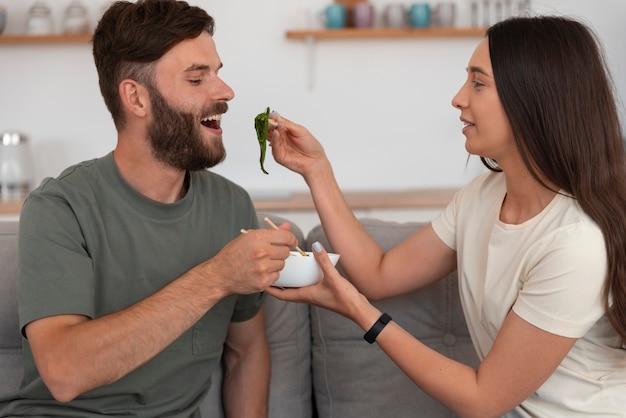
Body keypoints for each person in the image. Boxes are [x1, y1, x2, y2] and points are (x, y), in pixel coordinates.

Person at [266, 15, 626, 417]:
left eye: (478, 82)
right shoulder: (483, 197)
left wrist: (357, 309)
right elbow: (377, 273)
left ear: (534, 97)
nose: (458, 98)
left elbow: (482, 398)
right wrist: (317, 169)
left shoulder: (576, 242)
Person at [0, 1, 298, 417]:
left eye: (217, 72)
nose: (225, 91)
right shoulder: (60, 208)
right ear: (136, 98)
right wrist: (216, 277)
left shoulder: (232, 207)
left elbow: (245, 354)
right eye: (197, 78)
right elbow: (64, 373)